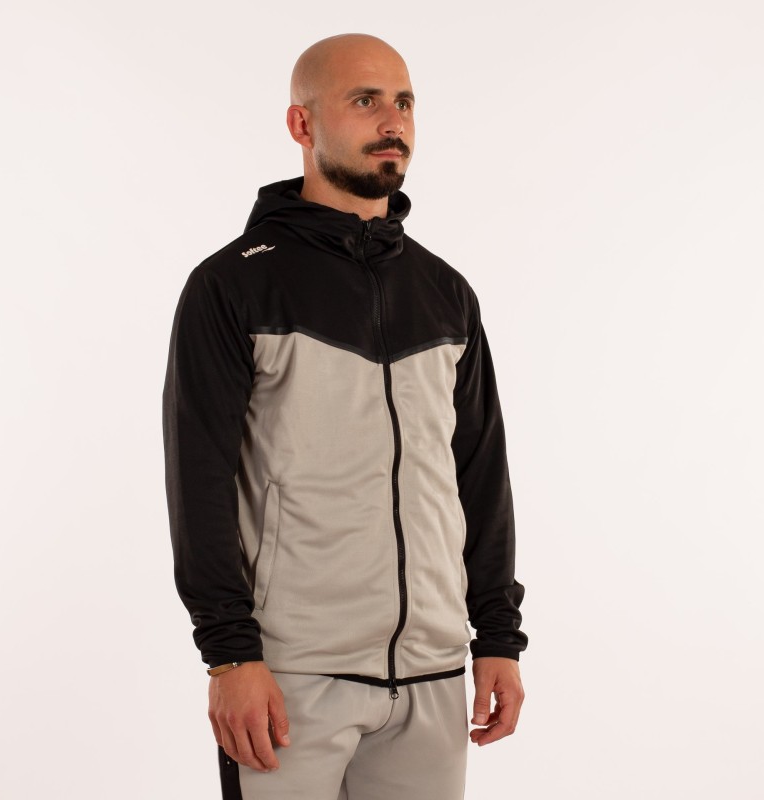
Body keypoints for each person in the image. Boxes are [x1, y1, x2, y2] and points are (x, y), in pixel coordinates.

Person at [162, 32, 528, 800]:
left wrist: (497, 635)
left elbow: (480, 475)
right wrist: (231, 656)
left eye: (404, 103)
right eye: (364, 101)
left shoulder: (445, 293)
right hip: (291, 675)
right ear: (302, 124)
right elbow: (199, 481)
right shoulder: (233, 286)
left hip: (432, 674)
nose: (392, 121)